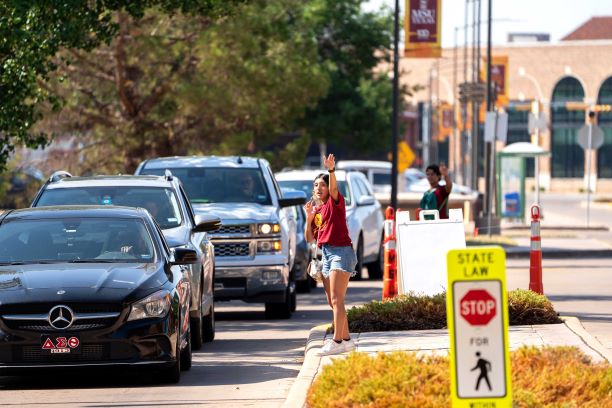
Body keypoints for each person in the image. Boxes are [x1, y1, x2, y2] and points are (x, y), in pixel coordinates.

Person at [304, 153, 358, 356]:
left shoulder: (336, 203)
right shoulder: (318, 212)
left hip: (341, 252)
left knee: (337, 299)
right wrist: (309, 219)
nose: (319, 188)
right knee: (333, 301)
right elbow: (310, 238)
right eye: (316, 185)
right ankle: (346, 340)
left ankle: (336, 341)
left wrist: (331, 171)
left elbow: (335, 189)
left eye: (322, 185)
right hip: (326, 254)